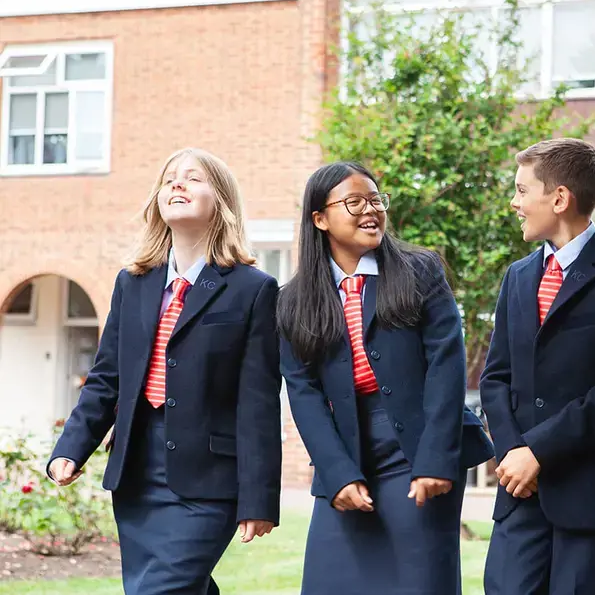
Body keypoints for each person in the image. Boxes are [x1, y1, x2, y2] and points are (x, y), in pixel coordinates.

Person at [48, 147, 283, 595]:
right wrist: (71, 448)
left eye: (193, 178)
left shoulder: (253, 290)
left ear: (222, 201)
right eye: (170, 178)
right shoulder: (132, 283)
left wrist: (260, 496)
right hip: (136, 473)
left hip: (208, 481)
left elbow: (257, 402)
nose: (177, 184)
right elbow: (106, 377)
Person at [277, 161, 494, 595]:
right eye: (353, 202)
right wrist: (337, 473)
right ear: (319, 219)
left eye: (376, 199)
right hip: (347, 451)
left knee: (420, 584)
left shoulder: (421, 271)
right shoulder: (292, 300)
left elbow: (446, 365)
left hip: (418, 450)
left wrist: (434, 458)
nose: (369, 210)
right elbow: (303, 391)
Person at [480, 138, 595, 594]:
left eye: (522, 191)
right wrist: (513, 454)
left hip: (592, 494)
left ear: (559, 198)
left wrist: (536, 452)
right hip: (520, 493)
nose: (514, 202)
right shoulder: (518, 277)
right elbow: (496, 377)